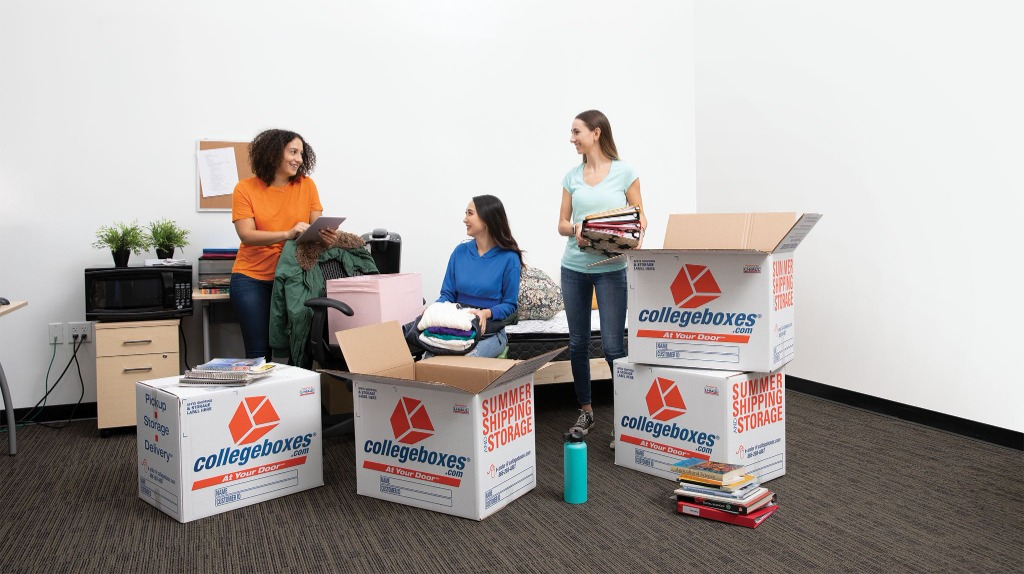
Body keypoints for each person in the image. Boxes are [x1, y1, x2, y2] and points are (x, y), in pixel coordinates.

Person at [558, 110, 647, 436]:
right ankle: (586, 412)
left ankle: (626, 418)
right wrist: (577, 228)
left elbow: (640, 218)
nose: (572, 138)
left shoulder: (625, 173)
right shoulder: (572, 177)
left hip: (611, 268)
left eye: (576, 132)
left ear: (596, 133)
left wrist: (635, 237)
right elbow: (561, 224)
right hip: (574, 268)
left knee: (612, 346)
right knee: (578, 343)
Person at [230, 129, 339, 359]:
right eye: (292, 152)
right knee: (259, 354)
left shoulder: (307, 185)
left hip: (294, 279)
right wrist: (287, 233)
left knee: (298, 348)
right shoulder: (245, 188)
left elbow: (315, 230)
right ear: (272, 153)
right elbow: (247, 235)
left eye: (301, 153)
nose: (298, 159)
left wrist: (326, 238)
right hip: (253, 279)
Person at [433, 194, 523, 358]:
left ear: (487, 219)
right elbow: (447, 295)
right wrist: (433, 310)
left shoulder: (509, 258)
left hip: (490, 331)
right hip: (459, 327)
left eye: (470, 213)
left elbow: (510, 305)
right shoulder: (459, 252)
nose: (465, 219)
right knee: (429, 357)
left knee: (467, 361)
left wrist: (486, 313)